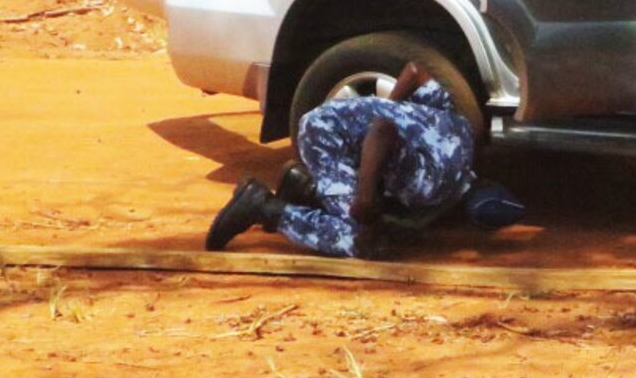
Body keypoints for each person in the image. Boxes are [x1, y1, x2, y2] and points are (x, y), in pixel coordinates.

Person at [206, 62, 521, 257]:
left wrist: (387, 106)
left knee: (375, 199)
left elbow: (416, 70)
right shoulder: (432, 183)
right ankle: (264, 207)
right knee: (362, 240)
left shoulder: (462, 132)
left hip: (339, 120)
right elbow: (381, 132)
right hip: (327, 138)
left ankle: (306, 188)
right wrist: (365, 198)